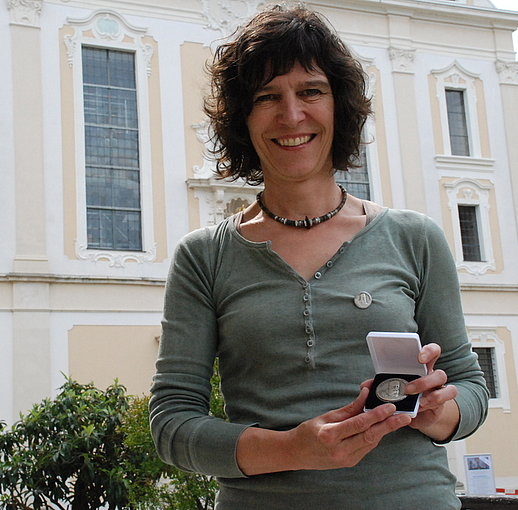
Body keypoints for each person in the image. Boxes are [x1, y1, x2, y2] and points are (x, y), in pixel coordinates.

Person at [149, 4, 489, 509]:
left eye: (311, 91)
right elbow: (172, 422)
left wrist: (438, 411)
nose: (291, 115)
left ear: (340, 106)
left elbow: (470, 386)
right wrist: (291, 448)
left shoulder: (414, 237)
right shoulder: (204, 257)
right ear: (243, 119)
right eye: (267, 97)